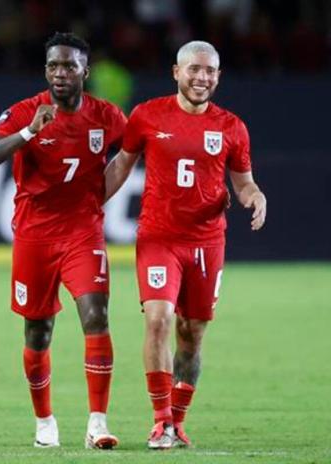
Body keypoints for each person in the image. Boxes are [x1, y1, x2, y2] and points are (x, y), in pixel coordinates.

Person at [104, 40, 267, 449]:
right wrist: (89, 205)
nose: (202, 77)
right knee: (157, 320)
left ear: (218, 76)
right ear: (176, 72)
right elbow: (121, 164)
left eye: (210, 71)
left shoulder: (232, 127)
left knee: (192, 334)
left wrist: (256, 197)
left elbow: (243, 183)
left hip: (207, 242)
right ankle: (160, 421)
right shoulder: (147, 115)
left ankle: (177, 421)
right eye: (194, 69)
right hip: (158, 237)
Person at [0, 32, 126, 449]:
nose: (61, 73)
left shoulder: (107, 116)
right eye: (54, 66)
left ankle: (98, 424)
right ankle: (45, 423)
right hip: (35, 236)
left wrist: (103, 194)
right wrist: (26, 134)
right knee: (38, 332)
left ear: (85, 72)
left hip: (83, 232)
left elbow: (133, 150)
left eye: (69, 66)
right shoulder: (25, 112)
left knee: (96, 316)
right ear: (46, 71)